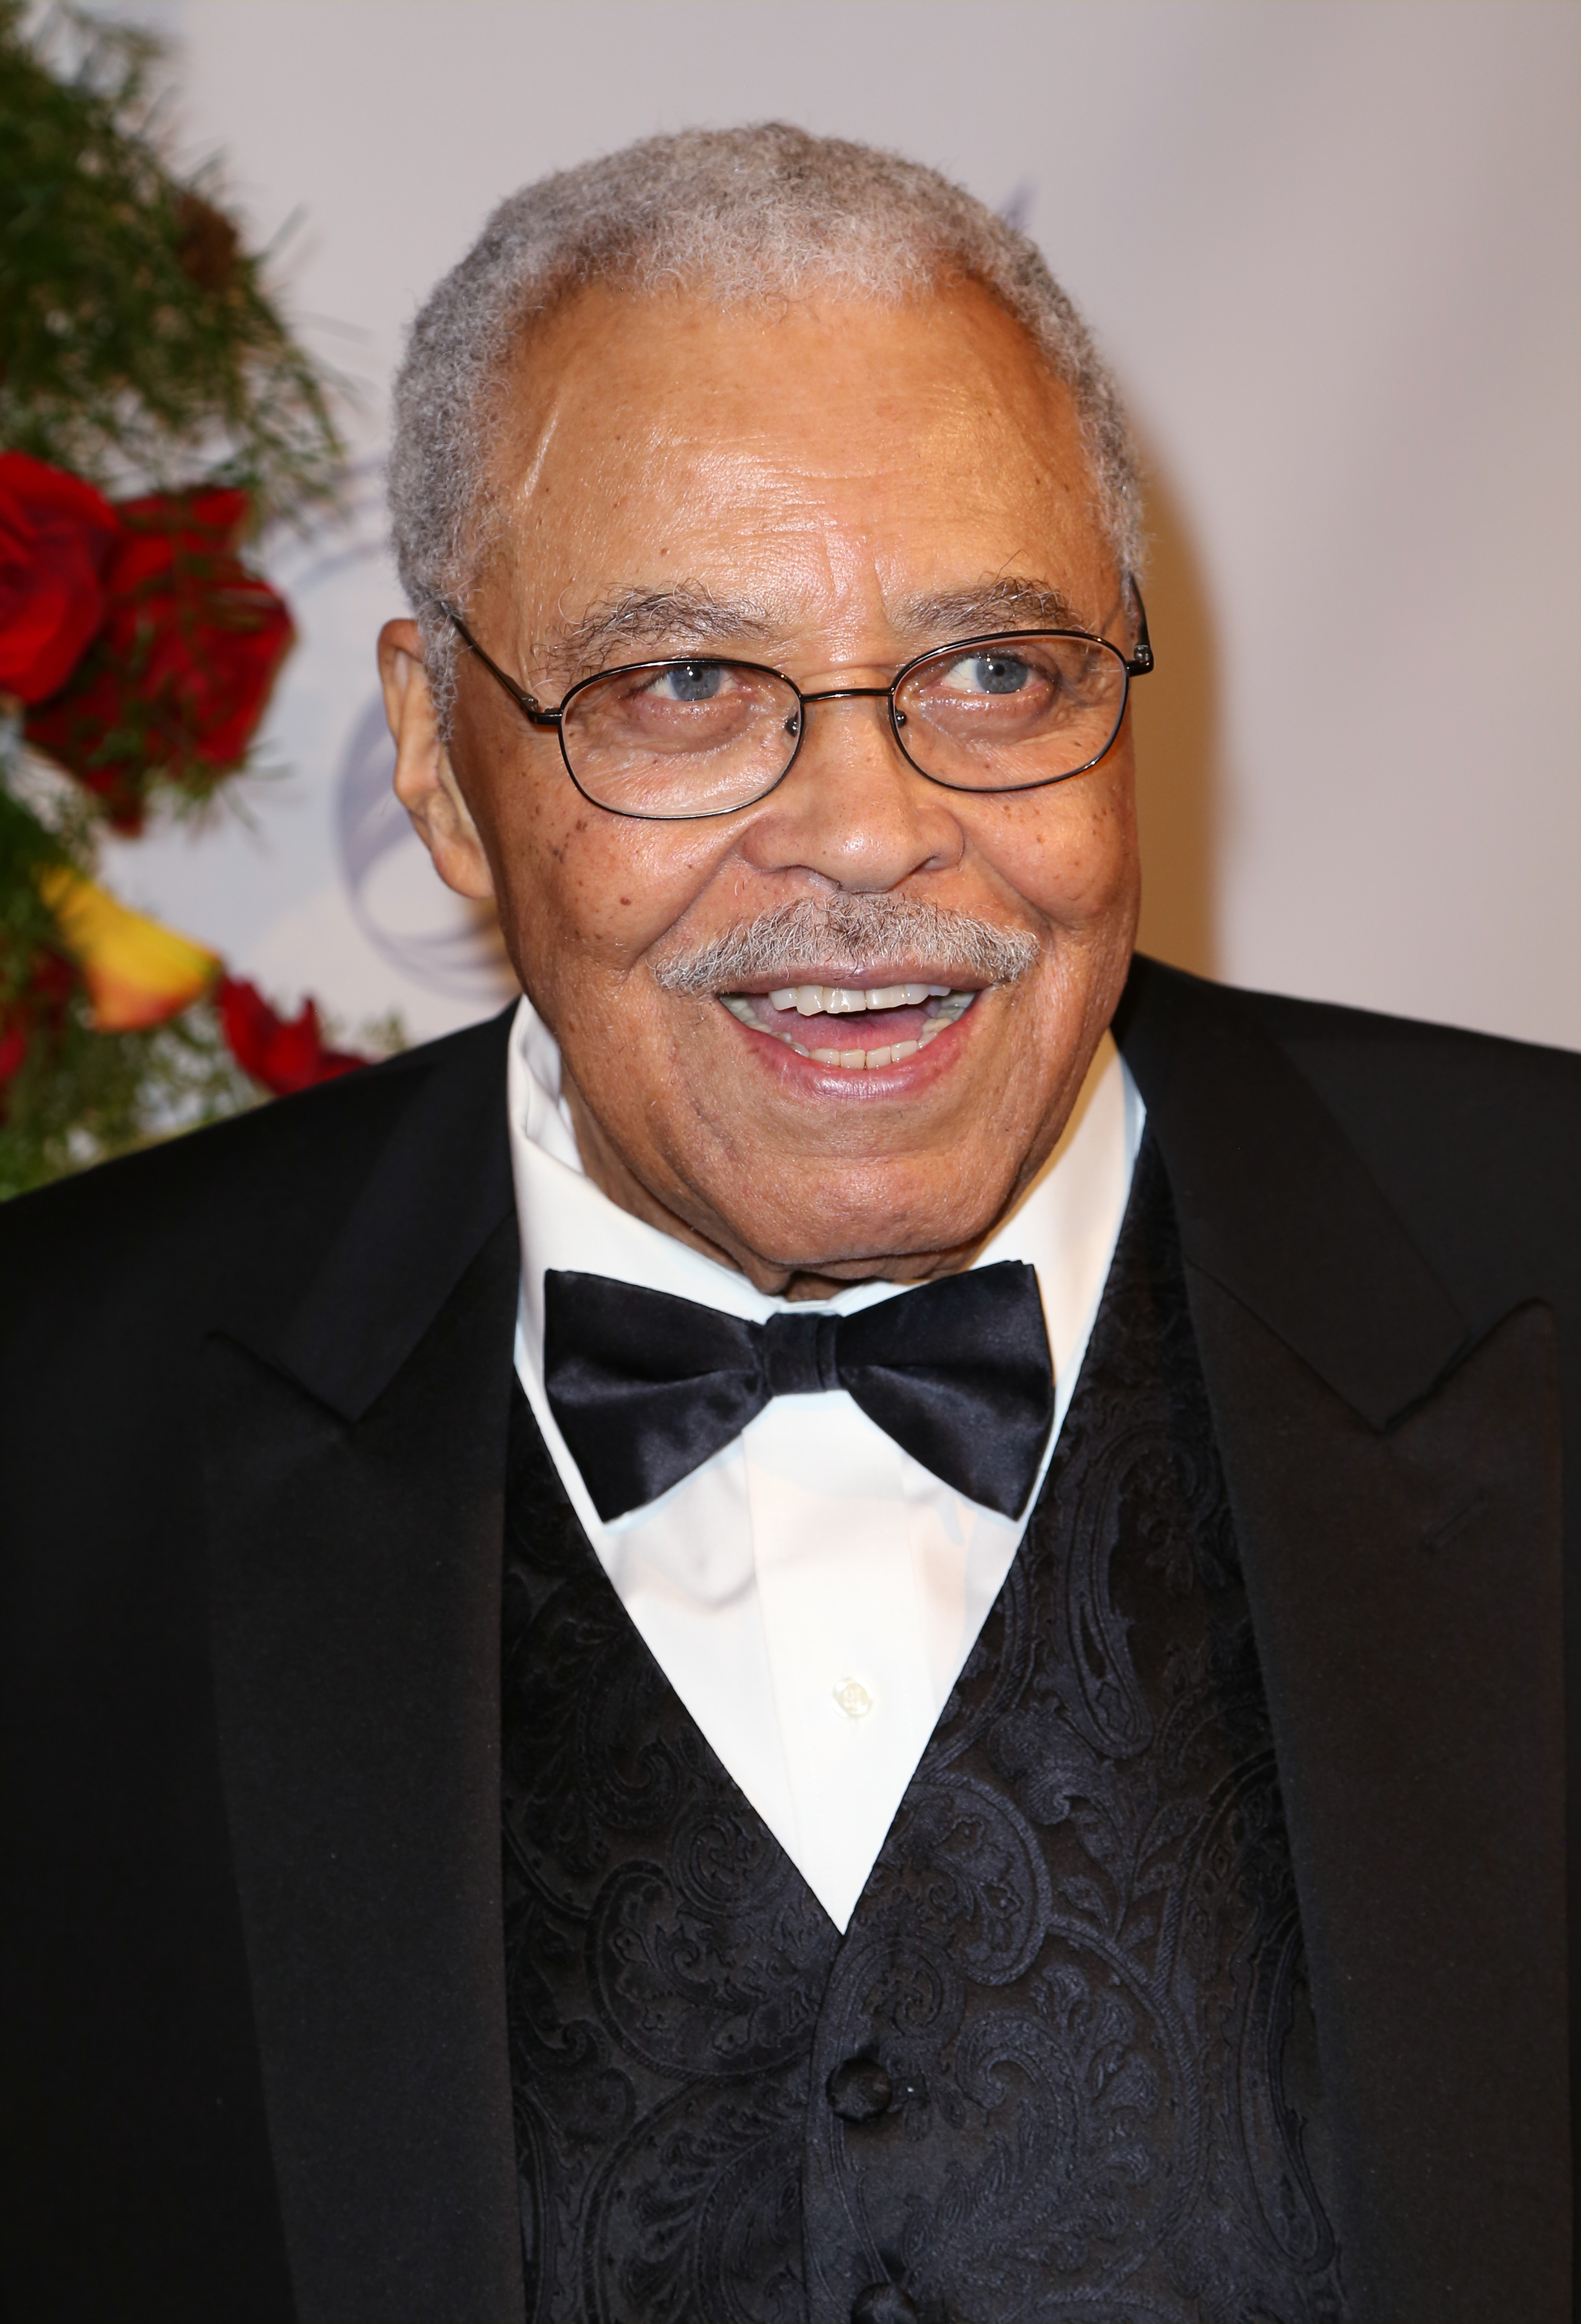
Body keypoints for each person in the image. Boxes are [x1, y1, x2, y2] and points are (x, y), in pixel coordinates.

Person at [0, 125, 1573, 2324]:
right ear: (442, 769)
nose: (869, 825)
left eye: (1000, 672)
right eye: (684, 688)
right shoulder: (45, 1438)